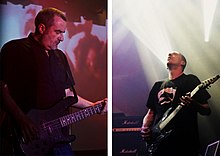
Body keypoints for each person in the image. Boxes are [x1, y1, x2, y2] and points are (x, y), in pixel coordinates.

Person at [0, 7, 107, 156]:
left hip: (57, 139)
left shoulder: (60, 57)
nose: (62, 38)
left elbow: (68, 94)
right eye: (58, 32)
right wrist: (23, 120)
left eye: (63, 33)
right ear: (42, 28)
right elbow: (2, 89)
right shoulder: (14, 48)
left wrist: (94, 106)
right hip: (26, 137)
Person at [140, 51, 211, 156]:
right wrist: (144, 127)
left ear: (182, 62)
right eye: (169, 54)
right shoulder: (157, 85)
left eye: (174, 54)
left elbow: (207, 110)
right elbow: (150, 113)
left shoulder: (190, 80)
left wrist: (193, 104)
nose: (169, 54)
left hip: (185, 142)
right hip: (160, 144)